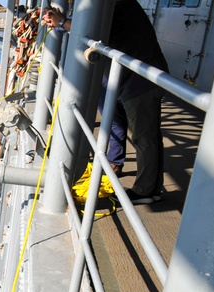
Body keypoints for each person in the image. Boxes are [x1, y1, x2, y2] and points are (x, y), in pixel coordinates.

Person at [42, 0, 168, 204]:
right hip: (134, 79)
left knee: (144, 138)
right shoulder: (117, 6)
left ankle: (145, 191)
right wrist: (62, 21)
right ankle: (151, 188)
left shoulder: (116, 7)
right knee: (148, 136)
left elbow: (91, 34)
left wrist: (62, 21)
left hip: (140, 81)